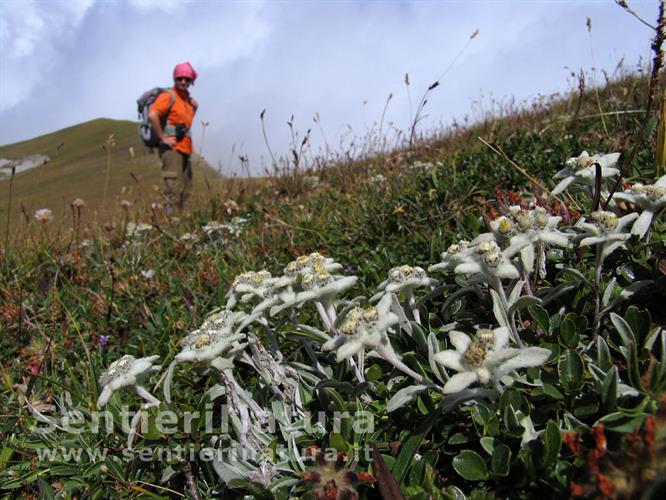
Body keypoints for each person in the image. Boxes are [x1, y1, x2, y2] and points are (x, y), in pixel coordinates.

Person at [148, 62, 199, 211]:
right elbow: (152, 114)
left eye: (187, 79)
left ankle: (182, 225)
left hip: (185, 150)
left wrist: (194, 106)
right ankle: (170, 222)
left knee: (186, 189)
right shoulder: (169, 96)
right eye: (180, 78)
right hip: (172, 150)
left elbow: (186, 123)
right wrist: (162, 137)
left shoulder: (187, 100)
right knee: (173, 190)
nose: (183, 82)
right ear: (174, 79)